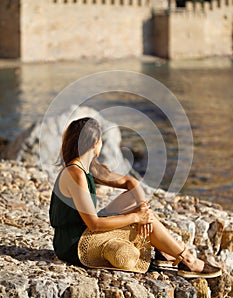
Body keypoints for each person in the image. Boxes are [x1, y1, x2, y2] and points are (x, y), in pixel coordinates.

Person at [49, 117, 221, 278]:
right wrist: (137, 217)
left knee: (140, 208)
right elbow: (94, 224)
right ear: (95, 143)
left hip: (82, 232)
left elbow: (130, 182)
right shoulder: (75, 174)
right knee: (146, 220)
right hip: (74, 244)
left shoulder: (88, 168)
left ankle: (168, 254)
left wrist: (142, 210)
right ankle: (187, 259)